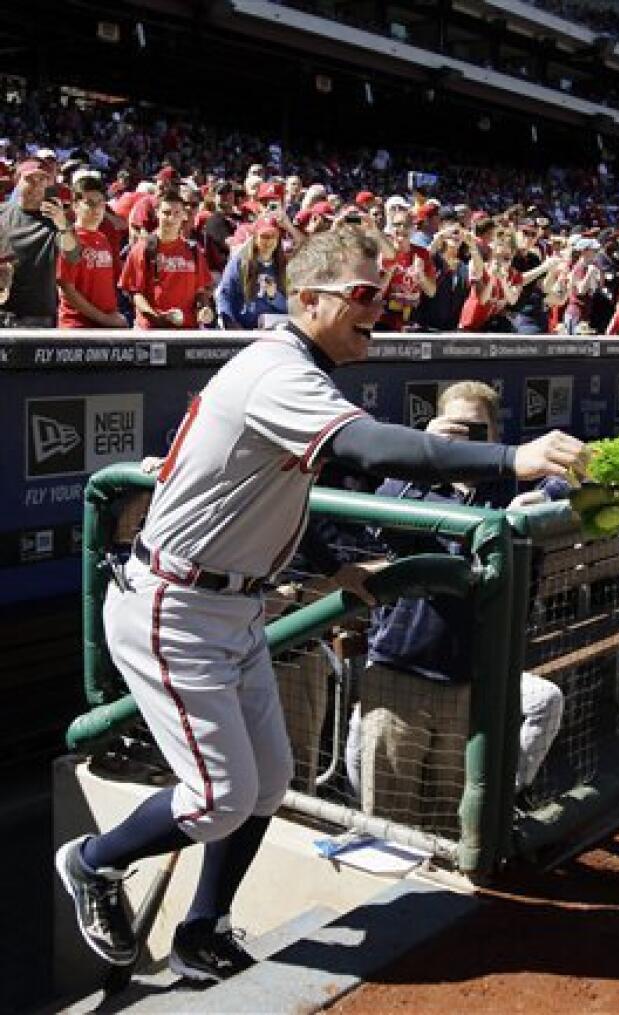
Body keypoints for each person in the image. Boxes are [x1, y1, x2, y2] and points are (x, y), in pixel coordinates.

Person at [55, 227, 586, 984]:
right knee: (219, 795)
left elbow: (269, 493)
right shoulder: (278, 370)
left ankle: (202, 927)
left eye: (387, 293)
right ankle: (92, 858)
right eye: (365, 296)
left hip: (229, 603)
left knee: (268, 785)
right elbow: (369, 449)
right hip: (174, 605)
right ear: (308, 299)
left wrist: (334, 564)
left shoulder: (295, 368)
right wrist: (509, 458)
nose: (383, 307)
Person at [350, 381, 564, 825]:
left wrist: (541, 501)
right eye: (456, 427)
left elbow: (578, 485)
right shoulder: (414, 485)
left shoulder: (507, 488)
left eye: (476, 428)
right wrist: (424, 452)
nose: (465, 437)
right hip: (400, 672)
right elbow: (374, 518)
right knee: (389, 818)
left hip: (472, 680)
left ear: (495, 432)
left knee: (455, 817)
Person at [119, 188, 214, 329]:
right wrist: (157, 319)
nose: (171, 218)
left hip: (187, 330)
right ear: (157, 213)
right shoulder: (143, 248)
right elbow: (135, 292)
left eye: (176, 213)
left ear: (184, 216)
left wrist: (203, 308)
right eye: (166, 213)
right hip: (152, 330)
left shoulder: (193, 250)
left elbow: (200, 290)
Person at [0, 158, 79, 325]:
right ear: (17, 180)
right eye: (29, 179)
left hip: (37, 315)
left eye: (42, 179)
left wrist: (63, 225)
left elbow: (73, 255)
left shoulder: (55, 219)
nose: (36, 185)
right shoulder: (2, 213)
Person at [57, 175, 126, 329]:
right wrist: (105, 320)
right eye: (89, 203)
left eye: (101, 203)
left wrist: (112, 315)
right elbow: (67, 290)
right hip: (78, 327)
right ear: (75, 206)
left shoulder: (103, 238)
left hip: (106, 324)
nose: (96, 209)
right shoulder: (68, 238)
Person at [214, 217, 288, 329]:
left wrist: (274, 296)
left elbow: (292, 307)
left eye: (273, 236)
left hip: (274, 331)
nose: (268, 241)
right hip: (243, 329)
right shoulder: (240, 262)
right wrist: (230, 322)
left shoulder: (284, 266)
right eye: (264, 236)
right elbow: (225, 294)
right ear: (255, 238)